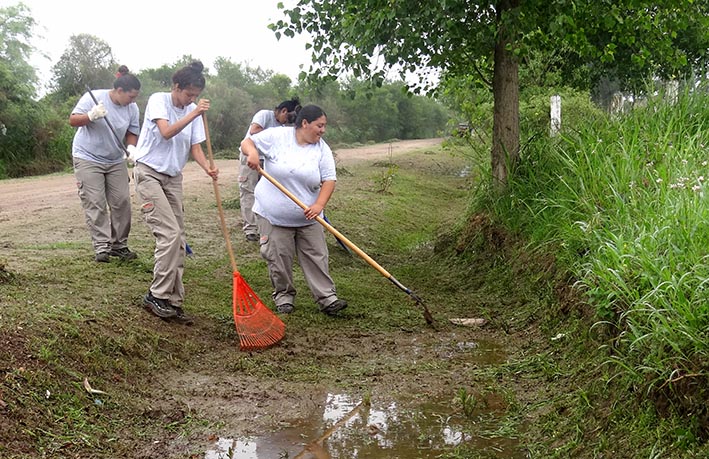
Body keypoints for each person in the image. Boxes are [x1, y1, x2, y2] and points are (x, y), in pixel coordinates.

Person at [240, 104, 348, 316]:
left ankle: (327, 298)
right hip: (273, 215)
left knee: (317, 257)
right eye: (320, 125)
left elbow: (329, 180)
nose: (323, 130)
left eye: (324, 126)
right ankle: (284, 297)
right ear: (305, 123)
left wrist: (319, 205)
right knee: (278, 258)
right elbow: (247, 141)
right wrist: (252, 153)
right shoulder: (278, 136)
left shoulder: (321, 148)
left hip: (309, 216)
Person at [132, 61, 219, 324]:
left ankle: (173, 299)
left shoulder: (192, 111)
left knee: (179, 239)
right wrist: (194, 113)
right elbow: (167, 132)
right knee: (169, 234)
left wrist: (208, 168)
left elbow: (196, 148)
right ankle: (155, 295)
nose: (190, 100)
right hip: (149, 173)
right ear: (176, 87)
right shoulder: (159, 101)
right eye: (187, 94)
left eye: (194, 96)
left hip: (173, 178)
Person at [69, 65, 141, 263]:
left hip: (115, 159)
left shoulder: (132, 108)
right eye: (131, 96)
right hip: (88, 157)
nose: (133, 101)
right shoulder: (93, 98)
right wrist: (90, 116)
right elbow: (73, 120)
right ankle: (102, 247)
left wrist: (131, 148)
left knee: (122, 202)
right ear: (119, 91)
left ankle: (119, 245)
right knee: (95, 202)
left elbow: (132, 131)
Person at [238, 97, 301, 242]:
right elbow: (254, 131)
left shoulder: (282, 127)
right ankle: (251, 229)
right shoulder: (264, 115)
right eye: (288, 117)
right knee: (249, 192)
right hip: (249, 156)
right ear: (283, 111)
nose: (287, 122)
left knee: (266, 193)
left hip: (266, 160)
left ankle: (264, 226)